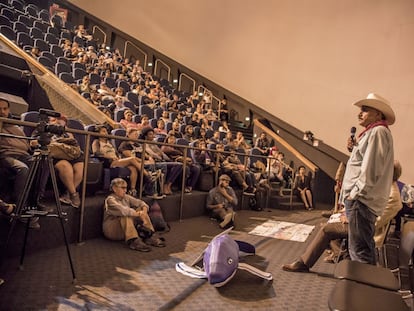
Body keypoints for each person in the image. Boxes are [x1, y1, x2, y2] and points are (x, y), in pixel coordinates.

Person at [282, 160, 402, 272]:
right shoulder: (384, 188)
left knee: (326, 229)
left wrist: (350, 219)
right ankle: (341, 256)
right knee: (330, 224)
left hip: (364, 230)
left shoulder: (392, 196)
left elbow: (374, 221)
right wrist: (348, 214)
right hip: (358, 223)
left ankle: (305, 263)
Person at [339, 93, 395, 265]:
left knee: (360, 253)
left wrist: (354, 194)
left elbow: (371, 169)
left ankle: (363, 289)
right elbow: (365, 162)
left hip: (360, 200)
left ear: (378, 114)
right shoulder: (374, 132)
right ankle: (364, 288)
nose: (359, 113)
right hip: (361, 200)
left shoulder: (378, 132)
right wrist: (354, 149)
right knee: (361, 250)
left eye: (364, 110)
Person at [103, 178, 165, 252]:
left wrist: (144, 212)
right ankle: (133, 241)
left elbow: (141, 203)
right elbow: (123, 211)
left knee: (140, 209)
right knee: (126, 215)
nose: (125, 190)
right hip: (111, 230)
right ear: (114, 188)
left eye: (126, 188)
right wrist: (139, 214)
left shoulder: (126, 197)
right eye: (122, 188)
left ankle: (149, 236)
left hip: (124, 228)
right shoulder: (110, 200)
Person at [92, 126, 155, 197]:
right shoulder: (96, 142)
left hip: (117, 160)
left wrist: (117, 157)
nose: (106, 133)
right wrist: (110, 157)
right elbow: (96, 153)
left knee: (133, 168)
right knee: (132, 159)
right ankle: (148, 176)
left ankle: (132, 190)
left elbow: (116, 153)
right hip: (109, 162)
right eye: (103, 131)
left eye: (106, 131)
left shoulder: (109, 142)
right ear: (98, 133)